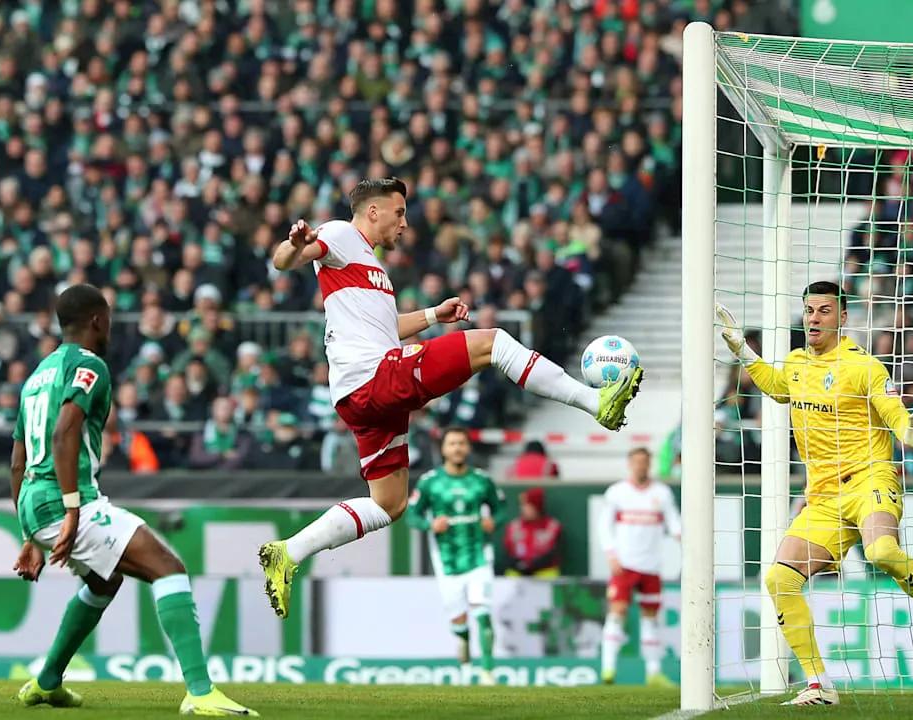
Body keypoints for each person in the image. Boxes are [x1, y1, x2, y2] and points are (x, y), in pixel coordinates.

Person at [258, 177, 644, 619]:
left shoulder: (372, 269)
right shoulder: (341, 235)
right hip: (374, 377)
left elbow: (385, 328)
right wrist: (294, 244)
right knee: (493, 342)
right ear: (372, 212)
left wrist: (432, 316)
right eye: (399, 212)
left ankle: (288, 552)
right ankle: (597, 403)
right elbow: (283, 261)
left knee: (390, 503)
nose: (405, 223)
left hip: (359, 393)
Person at [716, 281, 913, 706]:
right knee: (779, 578)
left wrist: (908, 430)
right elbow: (777, 387)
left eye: (824, 310)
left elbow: (892, 409)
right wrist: (744, 351)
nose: (813, 318)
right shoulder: (794, 363)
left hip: (871, 480)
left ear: (842, 318)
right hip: (823, 495)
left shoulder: (864, 366)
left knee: (881, 551)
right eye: (809, 310)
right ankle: (818, 684)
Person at [10, 284, 256, 717]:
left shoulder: (36, 377)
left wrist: (29, 534)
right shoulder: (90, 366)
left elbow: (17, 462)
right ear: (97, 320)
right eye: (109, 318)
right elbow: (64, 433)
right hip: (69, 500)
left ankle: (47, 682)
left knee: (105, 581)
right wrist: (71, 510)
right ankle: (200, 692)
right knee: (169, 569)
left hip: (34, 502)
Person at [405, 428, 507, 685]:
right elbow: (411, 515)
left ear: (469, 448)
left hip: (479, 555)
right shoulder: (430, 482)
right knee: (458, 621)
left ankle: (487, 672)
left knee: (482, 610)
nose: (457, 448)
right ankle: (464, 661)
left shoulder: (483, 480)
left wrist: (493, 521)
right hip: (446, 559)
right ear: (444, 449)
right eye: (452, 444)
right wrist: (430, 525)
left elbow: (502, 508)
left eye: (462, 443)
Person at [598, 447, 680, 687]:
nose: (640, 466)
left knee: (651, 618)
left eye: (644, 462)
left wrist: (686, 543)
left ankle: (653, 673)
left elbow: (675, 524)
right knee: (617, 613)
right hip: (624, 564)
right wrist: (611, 555)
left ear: (649, 463)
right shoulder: (617, 493)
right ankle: (608, 670)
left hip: (651, 565)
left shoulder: (661, 493)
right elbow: (604, 526)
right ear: (629, 464)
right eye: (636, 462)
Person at [502, 487, 563, 577]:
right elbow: (507, 552)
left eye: (527, 506)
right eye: (522, 505)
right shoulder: (514, 526)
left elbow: (554, 553)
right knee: (510, 575)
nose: (523, 509)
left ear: (536, 507)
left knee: (550, 574)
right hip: (518, 571)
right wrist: (519, 564)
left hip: (543, 570)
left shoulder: (552, 526)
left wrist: (534, 564)